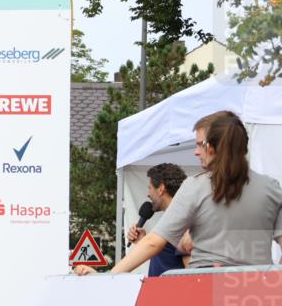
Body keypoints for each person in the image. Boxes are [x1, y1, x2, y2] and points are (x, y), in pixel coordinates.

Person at [77, 111, 282, 274]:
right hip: (258, 294)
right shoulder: (271, 187)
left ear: (211, 147)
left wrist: (111, 276)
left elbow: (153, 243)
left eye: (199, 144)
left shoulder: (196, 186)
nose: (196, 151)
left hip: (206, 290)